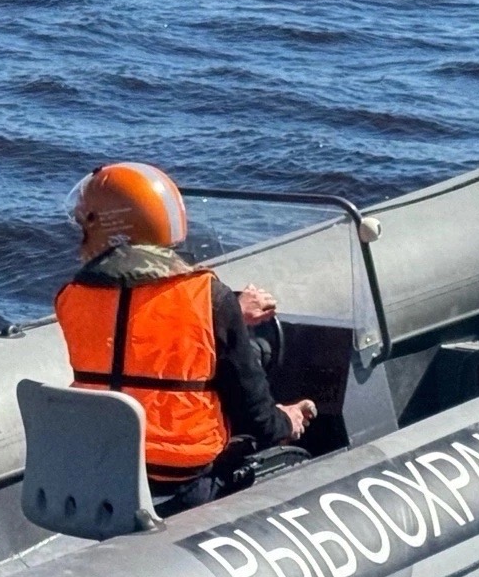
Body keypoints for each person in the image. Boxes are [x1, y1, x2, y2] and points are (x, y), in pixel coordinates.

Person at [55, 162, 315, 512]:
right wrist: (287, 419)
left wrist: (229, 312)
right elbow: (256, 417)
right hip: (185, 480)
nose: (80, 236)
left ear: (109, 230)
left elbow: (135, 331)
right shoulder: (209, 297)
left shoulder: (71, 298)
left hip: (104, 468)